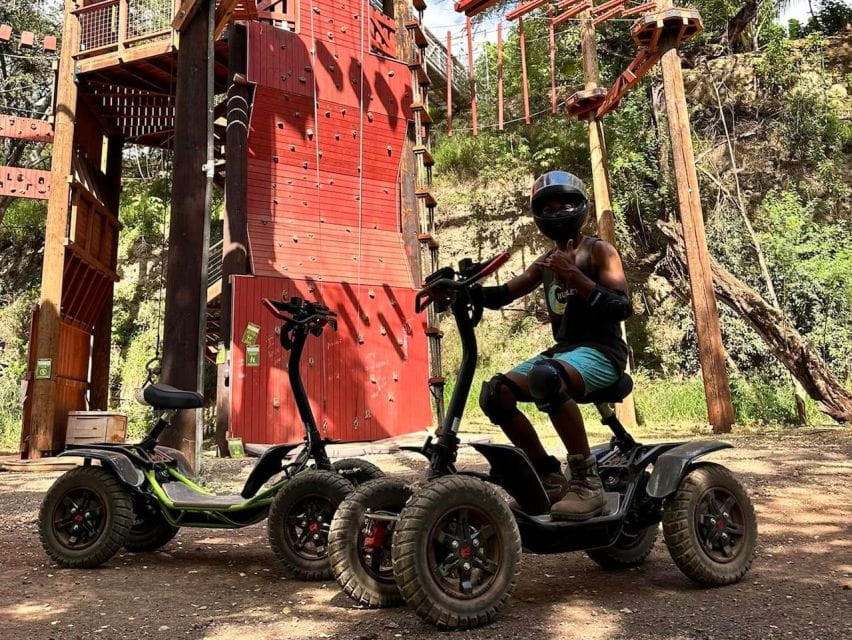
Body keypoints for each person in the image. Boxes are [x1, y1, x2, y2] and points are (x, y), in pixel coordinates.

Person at [474, 170, 632, 520]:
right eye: (550, 206)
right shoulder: (545, 263)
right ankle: (548, 478)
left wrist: (574, 274)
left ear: (580, 208)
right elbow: (503, 294)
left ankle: (587, 483)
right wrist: (462, 291)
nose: (558, 211)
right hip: (565, 353)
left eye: (565, 204)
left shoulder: (599, 252)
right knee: (495, 393)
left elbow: (623, 307)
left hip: (604, 352)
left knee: (547, 377)